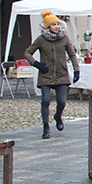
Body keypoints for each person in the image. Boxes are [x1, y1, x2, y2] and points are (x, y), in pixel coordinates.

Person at [24, 10, 81, 140]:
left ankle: (58, 116)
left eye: (57, 24)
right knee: (46, 100)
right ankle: (46, 128)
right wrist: (36, 64)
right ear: (47, 26)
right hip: (46, 74)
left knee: (61, 101)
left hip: (61, 74)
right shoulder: (41, 40)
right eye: (53, 24)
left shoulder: (64, 39)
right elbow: (27, 53)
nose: (56, 27)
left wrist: (76, 70)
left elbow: (72, 54)